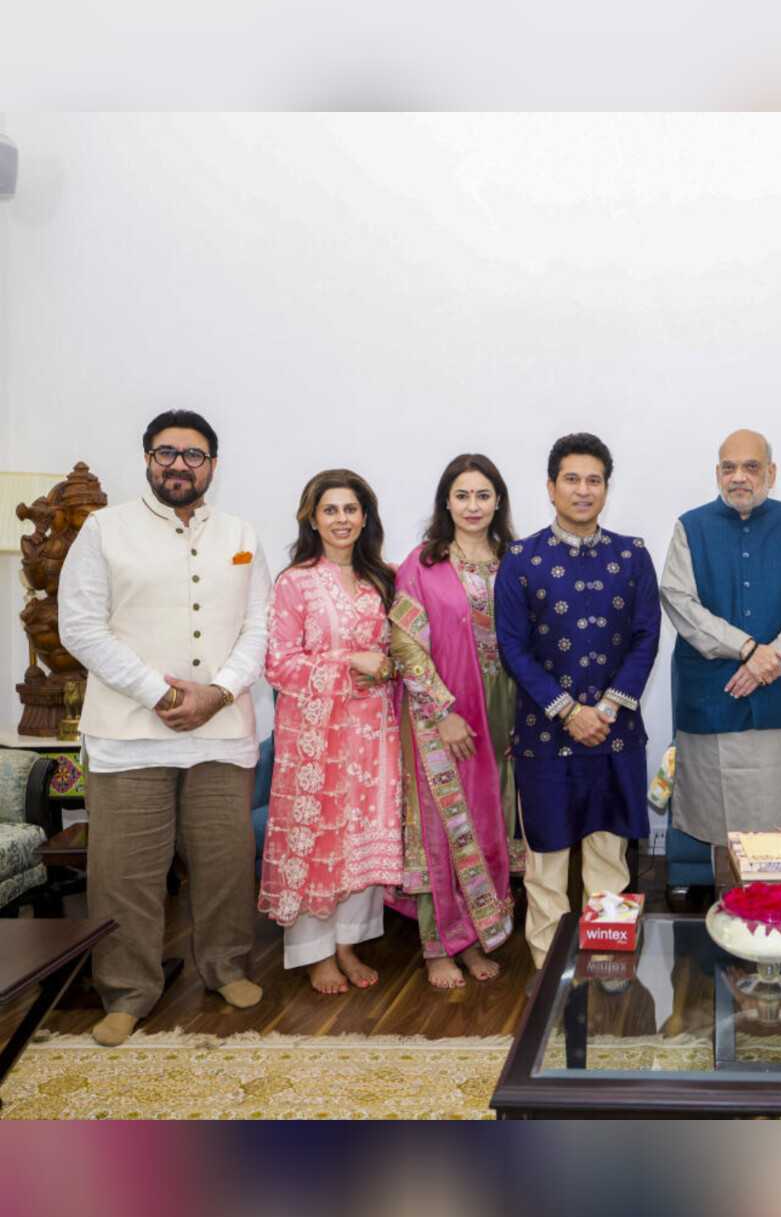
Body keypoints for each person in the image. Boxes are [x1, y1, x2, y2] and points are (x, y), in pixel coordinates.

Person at [56, 408, 270, 1046]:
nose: (179, 464)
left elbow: (258, 626)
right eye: (166, 453)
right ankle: (127, 990)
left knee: (225, 862)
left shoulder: (240, 533)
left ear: (212, 465)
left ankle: (226, 967)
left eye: (193, 454)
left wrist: (219, 693)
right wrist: (160, 693)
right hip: (129, 731)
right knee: (125, 871)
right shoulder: (104, 529)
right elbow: (80, 627)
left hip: (221, 729)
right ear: (148, 458)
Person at [495, 432, 661, 970]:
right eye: (572, 479)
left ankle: (605, 970)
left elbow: (646, 637)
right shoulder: (521, 559)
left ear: (606, 488)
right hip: (545, 737)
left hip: (615, 734)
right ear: (551, 487)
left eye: (594, 480)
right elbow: (513, 647)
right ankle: (548, 974)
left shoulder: (632, 556)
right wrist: (568, 710)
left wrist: (606, 710)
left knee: (610, 858)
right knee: (545, 864)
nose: (583, 490)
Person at [259, 470, 404, 994]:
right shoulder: (295, 582)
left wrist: (386, 667)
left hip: (373, 731)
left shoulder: (383, 578)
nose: (342, 519)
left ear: (365, 518)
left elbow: (400, 652)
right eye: (331, 510)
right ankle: (314, 952)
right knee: (318, 835)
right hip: (315, 738)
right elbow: (278, 664)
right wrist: (348, 664)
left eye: (351, 509)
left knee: (362, 834)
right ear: (313, 519)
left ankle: (348, 943)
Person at [660, 428, 781, 862]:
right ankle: (728, 904)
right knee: (720, 831)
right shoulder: (691, 527)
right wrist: (748, 648)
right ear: (717, 473)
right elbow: (678, 600)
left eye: (751, 467)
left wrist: (772, 657)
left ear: (771, 472)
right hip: (713, 699)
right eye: (729, 468)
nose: (739, 477)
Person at [388, 454, 516, 989]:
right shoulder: (423, 563)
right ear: (447, 501)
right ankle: (438, 946)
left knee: (489, 825)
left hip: (502, 712)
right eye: (462, 495)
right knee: (442, 829)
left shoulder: (514, 560)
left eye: (483, 495)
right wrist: (443, 713)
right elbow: (405, 645)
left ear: (498, 501)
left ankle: (480, 936)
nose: (472, 506)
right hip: (439, 716)